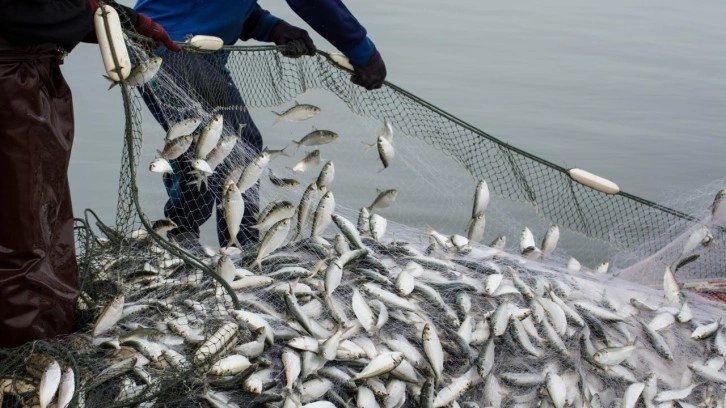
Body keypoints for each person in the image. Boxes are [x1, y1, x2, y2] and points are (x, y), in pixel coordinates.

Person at [134, 0, 387, 254]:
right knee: (222, 147)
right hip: (169, 47)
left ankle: (234, 244)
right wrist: (362, 51)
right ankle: (195, 238)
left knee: (238, 145)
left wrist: (269, 26)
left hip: (192, 50)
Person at [0, 0, 178, 349]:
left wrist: (119, 19)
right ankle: (27, 350)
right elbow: (21, 13)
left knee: (34, 215)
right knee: (25, 228)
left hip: (24, 75)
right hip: (12, 86)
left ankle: (38, 332)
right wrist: (95, 12)